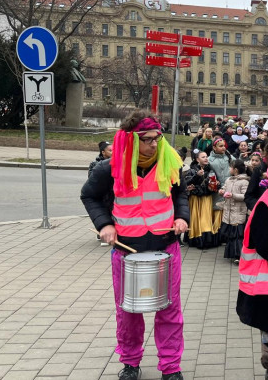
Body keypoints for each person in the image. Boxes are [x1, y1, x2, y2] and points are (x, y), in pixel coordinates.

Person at [80, 110, 188, 380]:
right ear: (132, 141)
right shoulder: (110, 168)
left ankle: (171, 368)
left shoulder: (169, 163)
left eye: (158, 138)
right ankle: (130, 363)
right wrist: (105, 224)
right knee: (127, 311)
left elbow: (180, 193)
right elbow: (89, 195)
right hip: (127, 252)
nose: (155, 144)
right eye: (148, 139)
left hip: (166, 248)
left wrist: (181, 217)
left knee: (169, 310)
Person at [186, 151, 219, 248]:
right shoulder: (192, 170)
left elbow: (216, 182)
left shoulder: (211, 170)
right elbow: (187, 182)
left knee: (205, 218)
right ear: (197, 159)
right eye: (203, 157)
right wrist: (197, 176)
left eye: (206, 156)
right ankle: (195, 238)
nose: (206, 158)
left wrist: (216, 184)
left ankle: (206, 241)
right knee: (195, 218)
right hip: (195, 198)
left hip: (207, 197)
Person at [219, 159, 250, 264]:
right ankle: (232, 253)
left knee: (238, 235)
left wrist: (233, 195)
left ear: (235, 170)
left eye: (230, 167)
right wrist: (221, 191)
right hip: (228, 211)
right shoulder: (229, 180)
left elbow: (245, 196)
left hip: (238, 211)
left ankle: (239, 255)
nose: (229, 169)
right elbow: (224, 188)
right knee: (230, 234)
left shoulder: (244, 181)